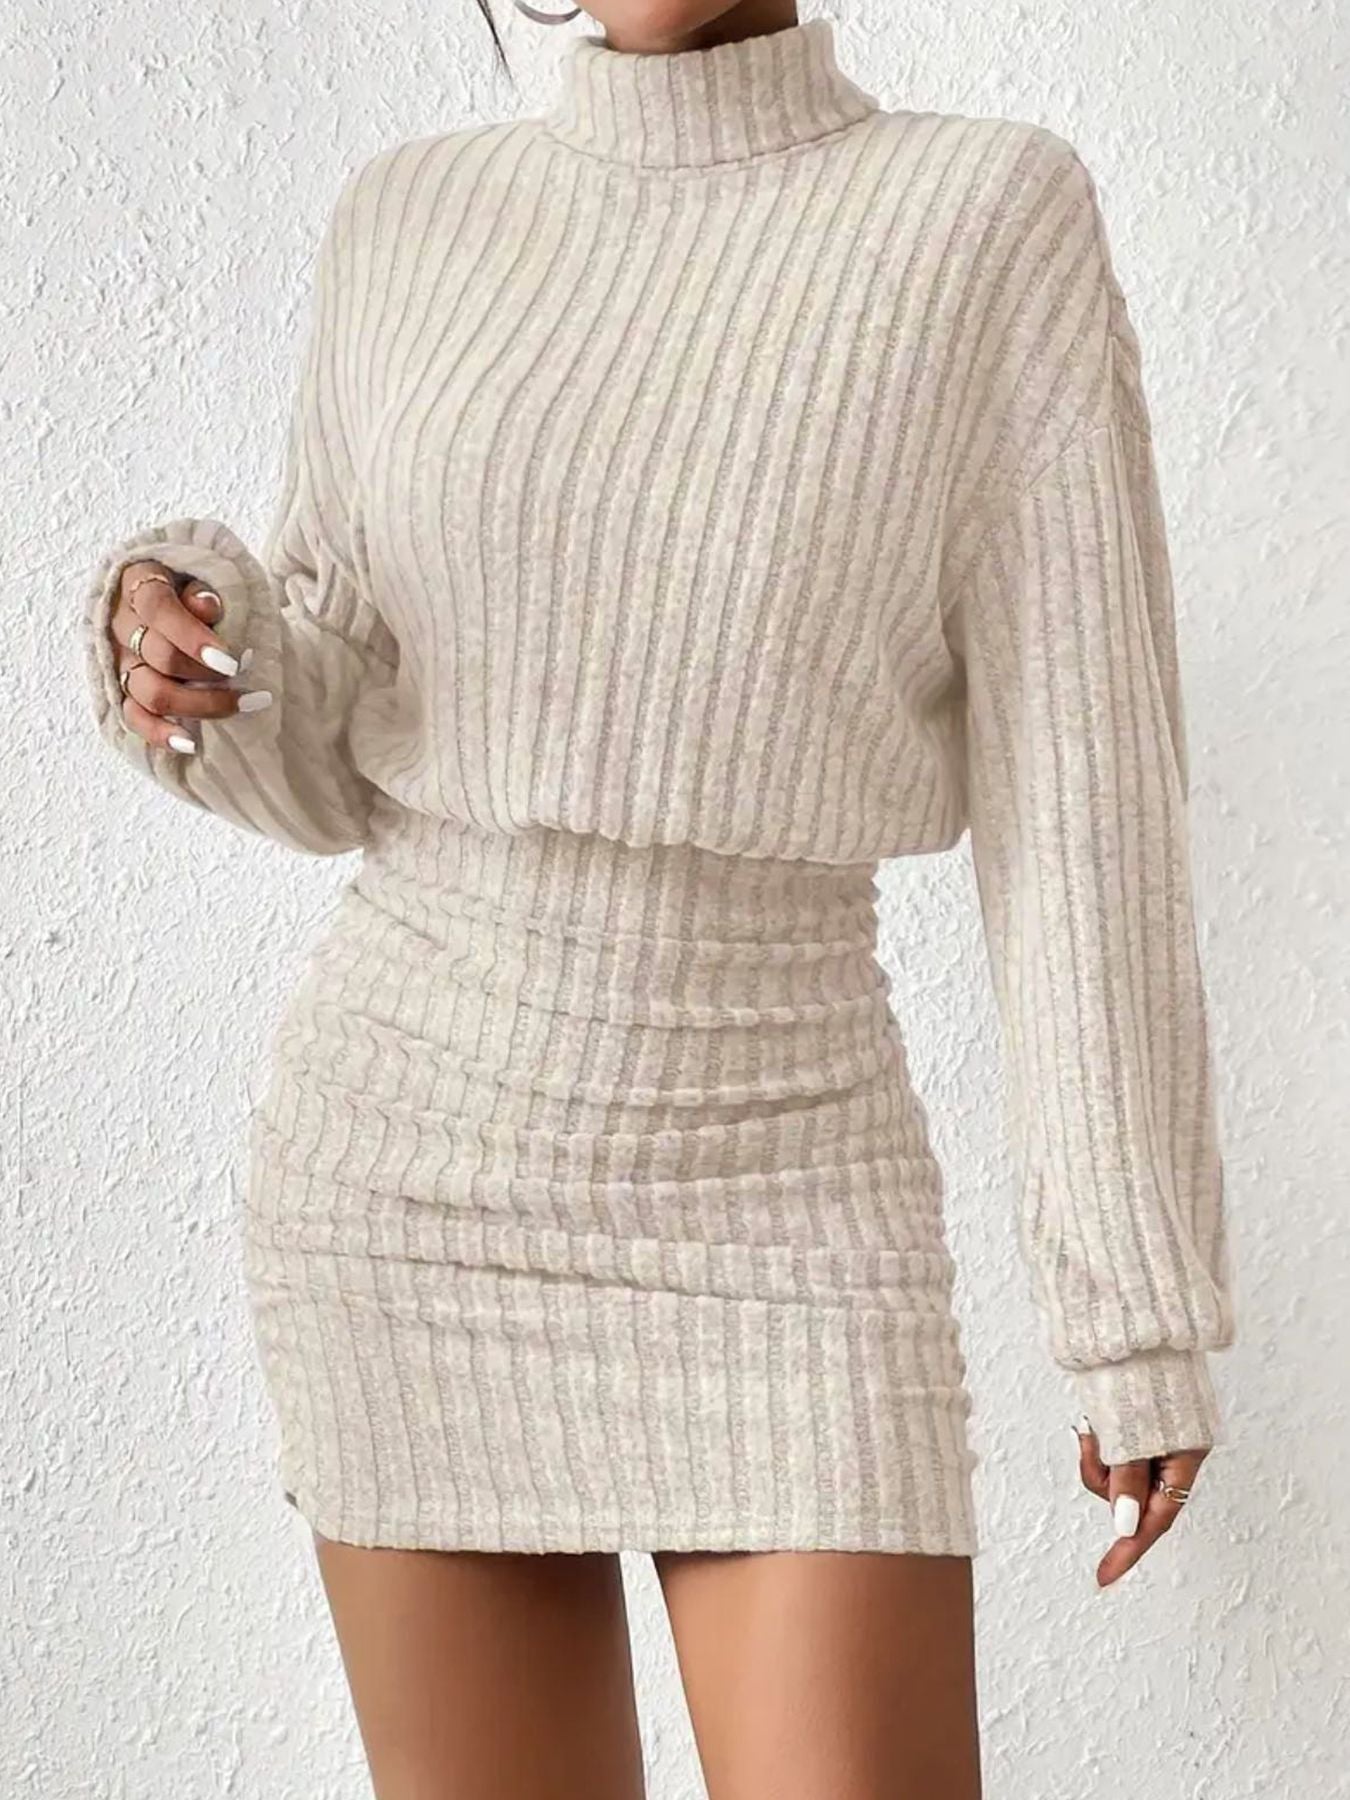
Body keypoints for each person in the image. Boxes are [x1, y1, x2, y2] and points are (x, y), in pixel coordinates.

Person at [80, 3, 1237, 1794]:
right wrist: (193, 659)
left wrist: (1132, 1305)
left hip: (787, 1192)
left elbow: (1082, 795)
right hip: (407, 1193)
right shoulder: (407, 217)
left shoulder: (982, 215)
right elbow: (332, 765)